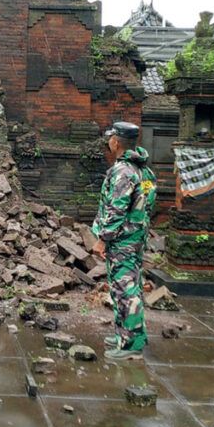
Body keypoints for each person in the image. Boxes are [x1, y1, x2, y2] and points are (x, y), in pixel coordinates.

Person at [91, 121, 157, 360]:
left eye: (111, 138)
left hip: (122, 240)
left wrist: (102, 239)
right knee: (128, 287)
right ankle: (126, 334)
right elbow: (147, 205)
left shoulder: (122, 172)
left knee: (125, 290)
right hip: (135, 237)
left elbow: (116, 209)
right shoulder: (144, 170)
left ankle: (131, 345)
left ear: (115, 142)